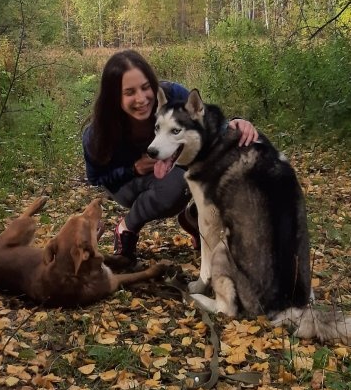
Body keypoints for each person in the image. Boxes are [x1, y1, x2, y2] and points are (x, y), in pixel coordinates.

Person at [82, 49, 258, 261]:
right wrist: (133, 168)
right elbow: (96, 179)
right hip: (127, 183)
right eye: (129, 92)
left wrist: (236, 124)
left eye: (146, 87)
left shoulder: (172, 95)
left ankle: (194, 216)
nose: (141, 99)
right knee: (177, 184)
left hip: (172, 169)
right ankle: (127, 227)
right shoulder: (97, 133)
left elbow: (207, 127)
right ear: (114, 97)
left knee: (234, 150)